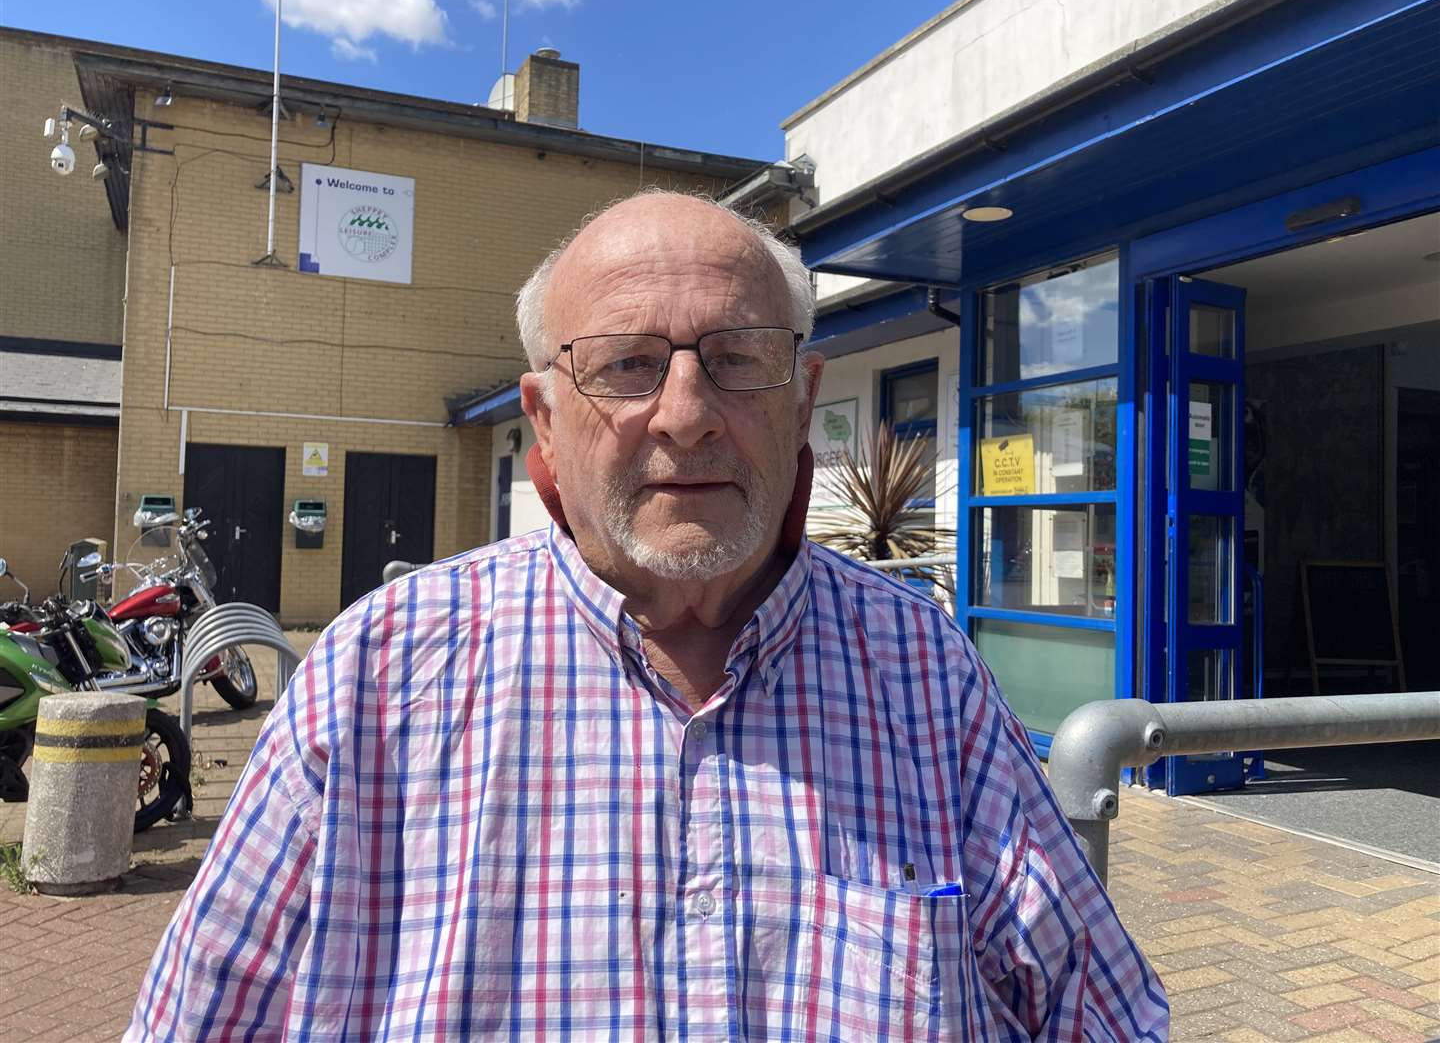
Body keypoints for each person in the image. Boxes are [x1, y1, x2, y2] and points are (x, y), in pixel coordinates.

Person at [127, 191, 1167, 1040]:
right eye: (628, 363)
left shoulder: (922, 673)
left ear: (802, 401)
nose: (685, 411)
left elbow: (1103, 1014)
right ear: (543, 417)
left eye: (737, 355)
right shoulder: (376, 680)